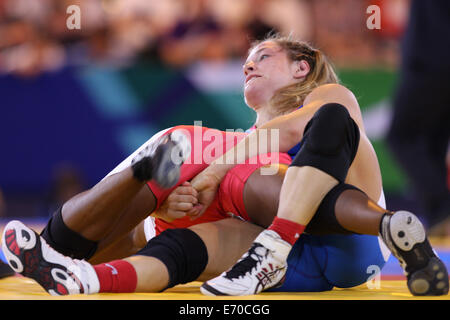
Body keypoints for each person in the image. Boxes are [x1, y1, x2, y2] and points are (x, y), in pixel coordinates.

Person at [2, 34, 447, 296]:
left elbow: (288, 133)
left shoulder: (328, 96)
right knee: (178, 237)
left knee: (194, 145)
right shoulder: (234, 146)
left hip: (352, 245)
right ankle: (82, 277)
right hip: (282, 260)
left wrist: (209, 171)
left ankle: (380, 224)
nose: (248, 64)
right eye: (246, 61)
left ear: (301, 68)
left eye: (264, 56)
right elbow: (133, 229)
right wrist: (168, 206)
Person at [387, 0, 450, 235]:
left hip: (429, 62)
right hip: (435, 60)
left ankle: (442, 210)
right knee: (433, 141)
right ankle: (439, 219)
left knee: (401, 137)